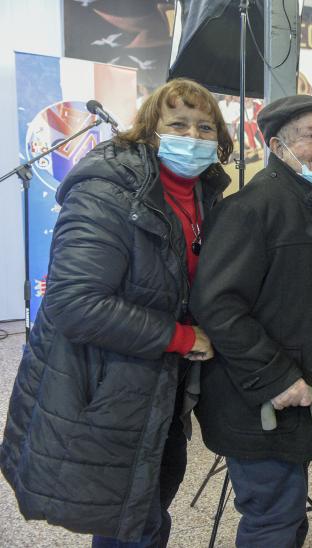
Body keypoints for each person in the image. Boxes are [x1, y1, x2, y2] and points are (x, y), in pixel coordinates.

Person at [0, 78, 233, 546]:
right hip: (104, 380)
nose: (193, 137)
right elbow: (73, 303)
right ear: (149, 130)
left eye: (206, 128)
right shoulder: (107, 188)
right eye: (179, 124)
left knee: (148, 505)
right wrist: (183, 338)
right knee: (129, 521)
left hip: (159, 383)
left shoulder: (205, 195)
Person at [189, 95, 312, 547]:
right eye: (310, 136)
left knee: (286, 512)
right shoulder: (252, 208)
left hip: (296, 398)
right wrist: (276, 378)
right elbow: (218, 306)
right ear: (277, 145)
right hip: (263, 400)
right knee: (271, 518)